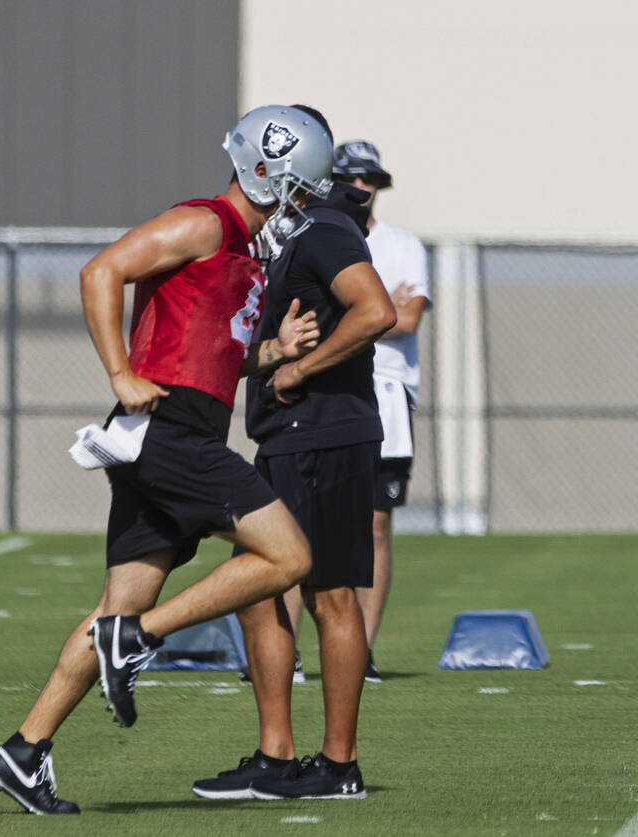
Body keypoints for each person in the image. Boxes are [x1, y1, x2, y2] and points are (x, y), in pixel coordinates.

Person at [0, 104, 334, 815]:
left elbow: (215, 360)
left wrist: (274, 353)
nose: (302, 204)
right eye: (300, 188)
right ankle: (138, 639)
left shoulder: (244, 253)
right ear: (268, 172)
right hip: (170, 431)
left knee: (118, 602)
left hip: (177, 430)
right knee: (290, 556)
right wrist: (117, 370)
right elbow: (101, 270)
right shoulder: (206, 223)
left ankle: (25, 751)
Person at [192, 121, 396, 802]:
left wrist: (300, 366)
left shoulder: (326, 227)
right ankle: (277, 755)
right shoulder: (284, 242)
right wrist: (275, 356)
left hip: (323, 433)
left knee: (327, 593)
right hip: (291, 434)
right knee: (259, 588)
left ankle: (337, 765)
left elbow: (376, 312)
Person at [280, 140, 431, 683]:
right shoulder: (311, 232)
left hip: (387, 395)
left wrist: (362, 309)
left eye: (369, 179)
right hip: (325, 393)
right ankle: (284, 652)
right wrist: (372, 306)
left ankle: (359, 651)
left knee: (375, 525)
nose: (360, 188)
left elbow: (401, 318)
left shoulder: (402, 245)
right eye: (350, 177)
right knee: (291, 525)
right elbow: (369, 310)